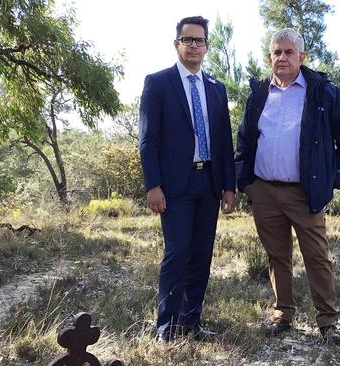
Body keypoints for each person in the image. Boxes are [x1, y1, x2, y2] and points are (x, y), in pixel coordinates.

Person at [235, 28, 340, 339]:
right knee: (277, 255)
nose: (282, 57)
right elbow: (244, 141)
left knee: (316, 256)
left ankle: (328, 322)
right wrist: (247, 183)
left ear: (302, 57)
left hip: (305, 193)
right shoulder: (260, 93)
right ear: (270, 57)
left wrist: (329, 181)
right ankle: (283, 313)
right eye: (276, 52)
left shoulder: (323, 92)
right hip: (264, 190)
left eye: (288, 52)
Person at [138, 15, 236, 342]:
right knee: (177, 254)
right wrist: (152, 185)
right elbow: (148, 140)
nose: (193, 45)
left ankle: (191, 323)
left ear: (207, 46)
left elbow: (224, 141)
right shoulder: (158, 83)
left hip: (208, 183)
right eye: (187, 39)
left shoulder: (217, 89)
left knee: (201, 257)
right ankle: (166, 329)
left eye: (199, 40)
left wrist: (229, 187)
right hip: (174, 187)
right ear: (177, 43)